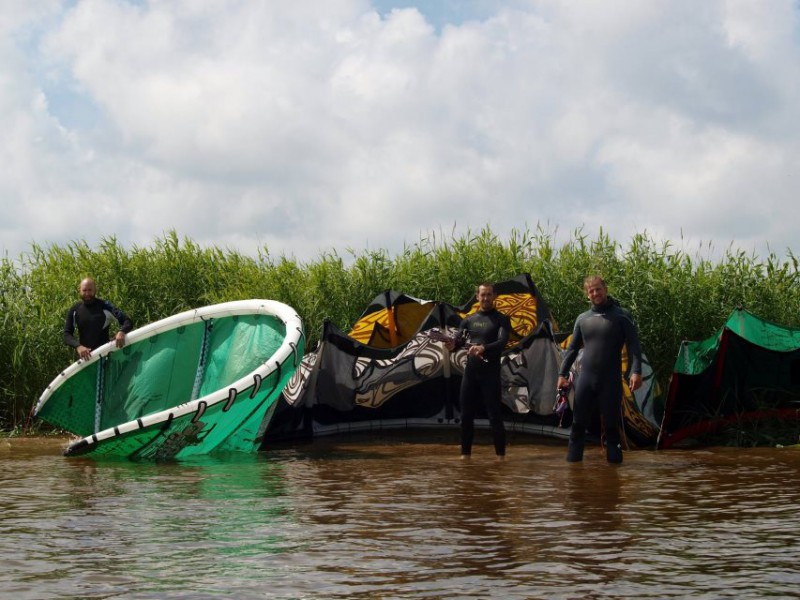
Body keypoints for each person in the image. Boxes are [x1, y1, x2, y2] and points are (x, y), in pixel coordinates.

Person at [557, 275, 642, 464]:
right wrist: (562, 374)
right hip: (585, 379)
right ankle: (574, 474)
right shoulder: (582, 319)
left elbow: (634, 346)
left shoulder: (622, 316)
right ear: (587, 294)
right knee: (577, 426)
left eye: (598, 289)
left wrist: (636, 371)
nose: (595, 293)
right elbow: (572, 349)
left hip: (610, 381)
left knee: (612, 428)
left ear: (605, 289)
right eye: (591, 291)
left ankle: (614, 479)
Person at [446, 282, 511, 459]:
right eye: (482, 295)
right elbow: (456, 343)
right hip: (471, 374)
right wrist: (451, 345)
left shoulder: (501, 319)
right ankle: (465, 457)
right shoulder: (468, 320)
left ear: (494, 296)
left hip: (490, 374)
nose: (486, 298)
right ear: (477, 297)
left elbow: (502, 343)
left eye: (489, 294)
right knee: (466, 417)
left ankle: (500, 458)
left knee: (494, 417)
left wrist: (483, 348)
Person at [64, 277, 133, 360]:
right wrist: (78, 347)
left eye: (90, 290)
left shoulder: (104, 306)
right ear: (79, 290)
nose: (87, 293)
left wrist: (122, 332)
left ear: (95, 290)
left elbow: (127, 321)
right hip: (86, 359)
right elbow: (67, 334)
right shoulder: (75, 309)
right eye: (84, 290)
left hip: (105, 356)